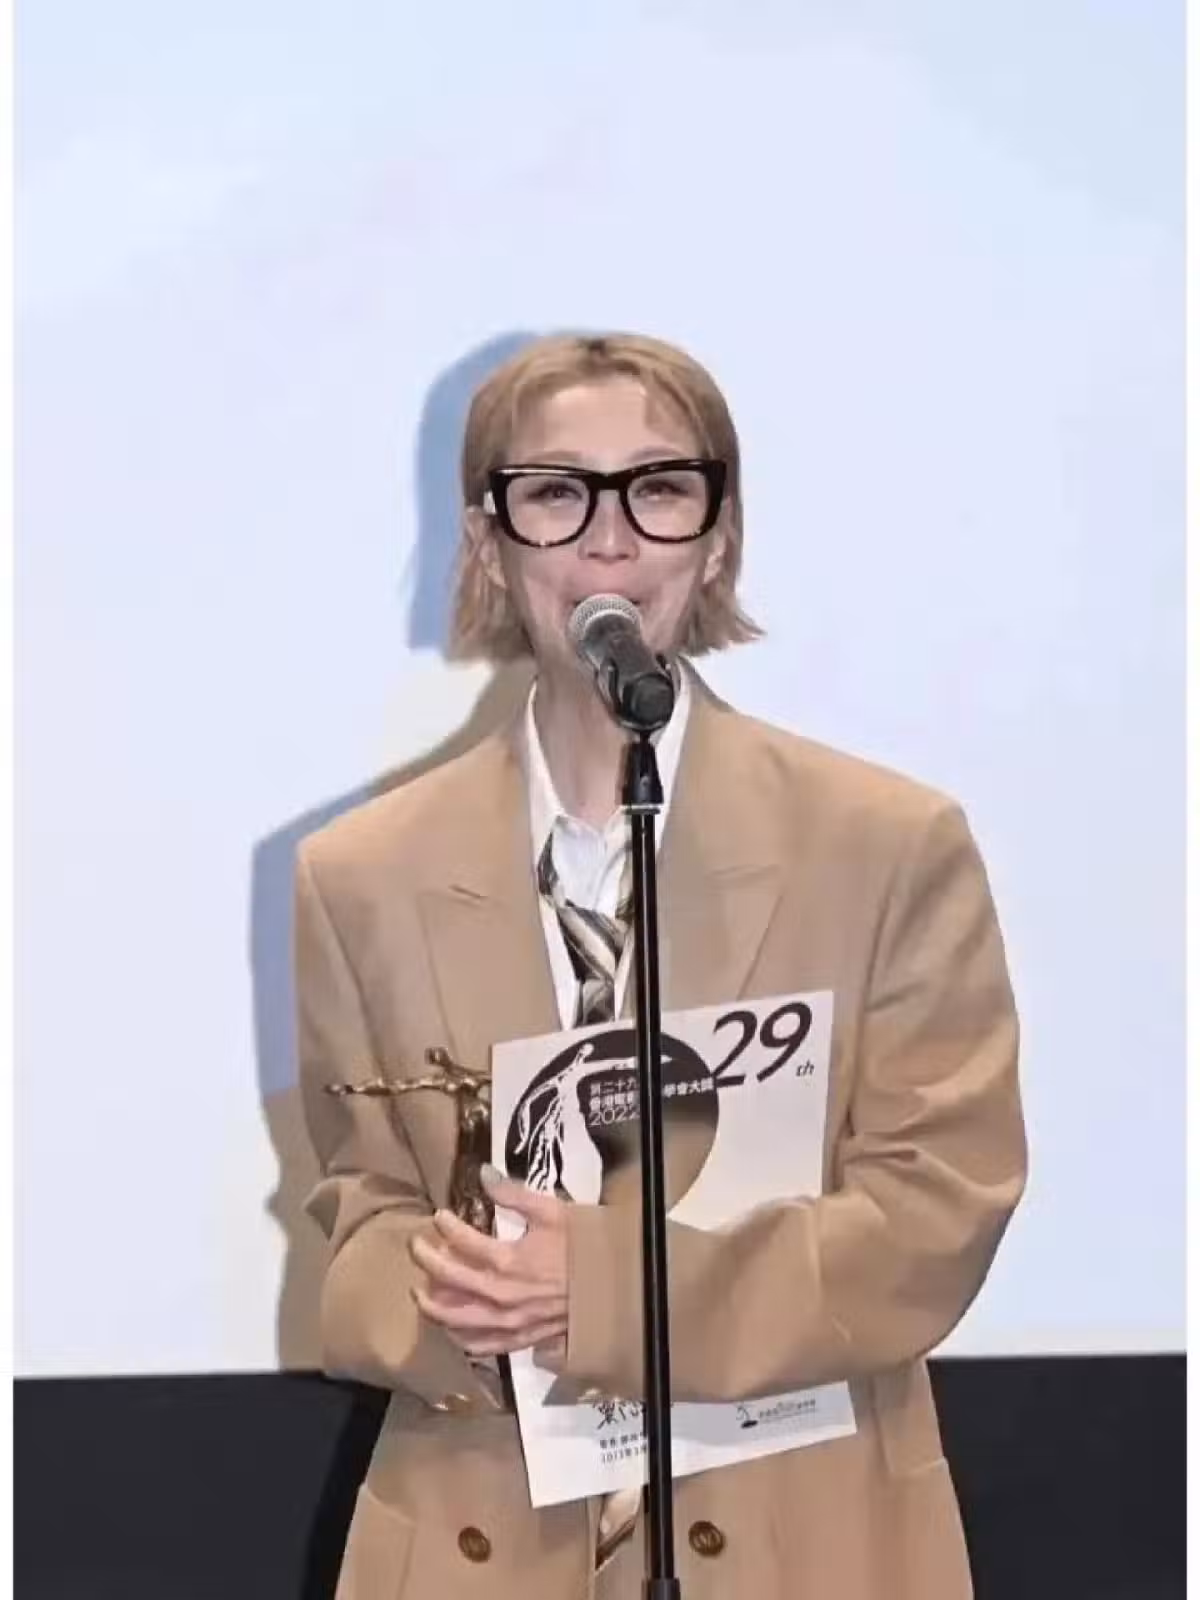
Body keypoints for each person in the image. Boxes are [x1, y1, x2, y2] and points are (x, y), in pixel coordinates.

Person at [294, 331, 1027, 1600]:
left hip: (809, 1536)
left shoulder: (888, 845)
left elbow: (937, 1209)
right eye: (556, 492)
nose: (610, 537)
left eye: (660, 488)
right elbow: (359, 1208)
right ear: (490, 544)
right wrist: (452, 1305)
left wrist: (600, 1293)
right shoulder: (361, 874)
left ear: (718, 538)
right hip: (480, 1534)